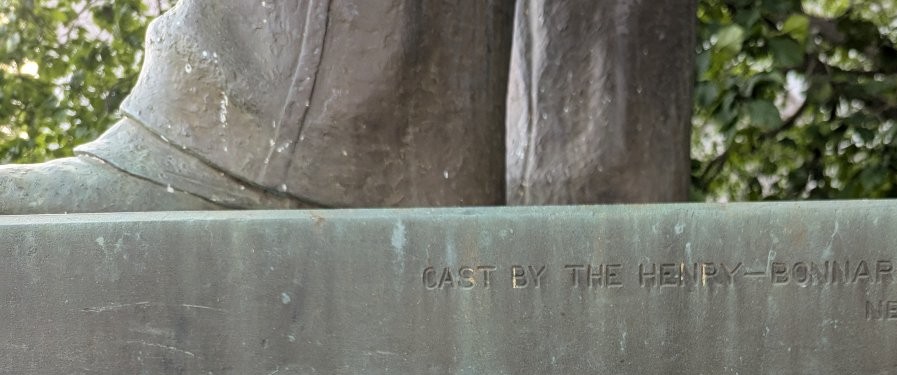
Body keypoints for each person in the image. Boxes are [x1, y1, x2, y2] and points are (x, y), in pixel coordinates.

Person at [0, 0, 696, 213]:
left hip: (304, 152)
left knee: (590, 225)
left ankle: (285, 154)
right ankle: (588, 205)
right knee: (588, 221)